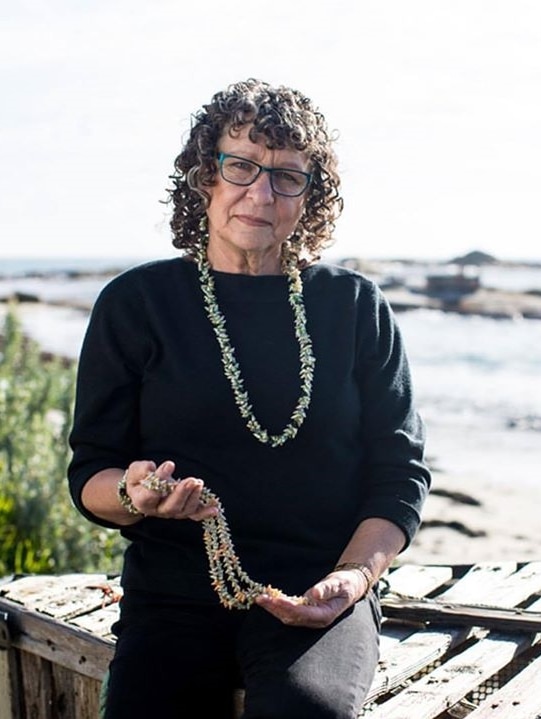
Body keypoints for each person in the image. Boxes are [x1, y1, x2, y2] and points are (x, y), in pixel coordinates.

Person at [68, 78, 431, 719]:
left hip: (321, 589)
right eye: (241, 166)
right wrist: (134, 492)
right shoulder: (136, 304)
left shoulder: (354, 307)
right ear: (205, 175)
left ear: (309, 197)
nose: (260, 194)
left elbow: (399, 475)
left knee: (304, 710)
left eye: (287, 176)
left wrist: (352, 580)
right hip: (174, 594)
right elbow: (90, 474)